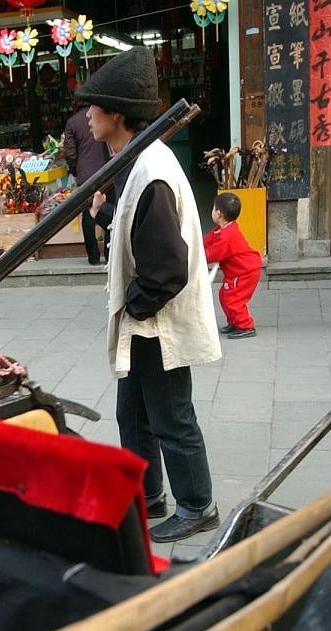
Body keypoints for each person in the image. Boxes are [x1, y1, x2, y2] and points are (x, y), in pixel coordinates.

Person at [79, 46, 222, 543]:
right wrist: (102, 217)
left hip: (157, 322)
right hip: (144, 321)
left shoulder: (152, 169)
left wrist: (133, 309)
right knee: (133, 414)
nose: (88, 116)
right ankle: (149, 493)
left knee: (170, 417)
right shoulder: (137, 161)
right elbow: (132, 229)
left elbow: (165, 269)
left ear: (116, 113)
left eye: (94, 107)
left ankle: (198, 504)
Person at [203, 193, 263, 340]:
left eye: (213, 208)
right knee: (224, 295)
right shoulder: (223, 229)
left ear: (218, 214)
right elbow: (207, 241)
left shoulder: (226, 235)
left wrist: (195, 256)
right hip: (239, 271)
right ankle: (234, 322)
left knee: (232, 298)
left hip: (245, 272)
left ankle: (245, 325)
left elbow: (212, 254)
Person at [63, 100, 110, 266]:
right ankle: (109, 253)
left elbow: (70, 153)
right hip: (107, 170)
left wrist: (75, 171)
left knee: (87, 215)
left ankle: (93, 256)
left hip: (85, 175)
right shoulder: (104, 117)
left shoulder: (72, 122)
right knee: (109, 209)